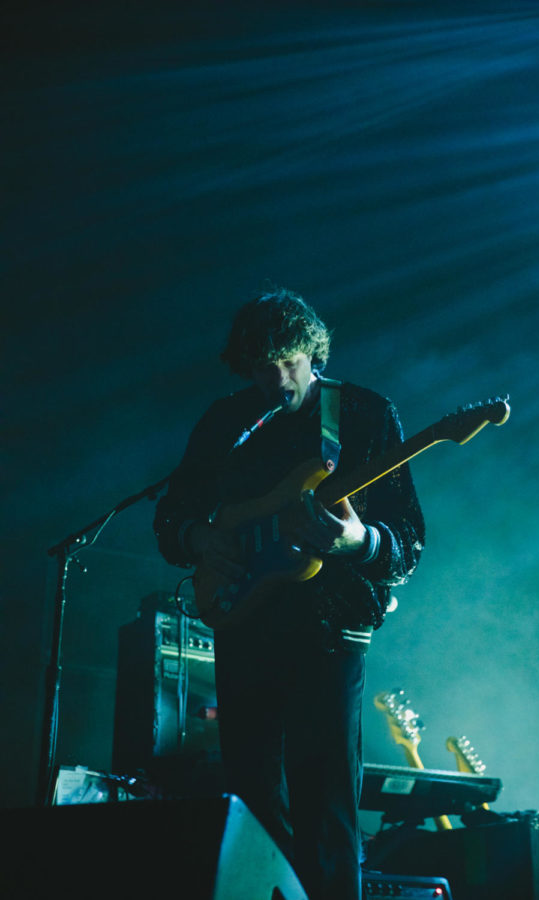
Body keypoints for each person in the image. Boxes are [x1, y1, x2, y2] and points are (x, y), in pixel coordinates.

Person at [153, 286, 425, 900]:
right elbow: (172, 516)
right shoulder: (226, 422)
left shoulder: (361, 414)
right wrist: (199, 537)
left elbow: (408, 541)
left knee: (325, 804)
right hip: (244, 622)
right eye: (260, 366)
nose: (275, 378)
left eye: (288, 361)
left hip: (329, 632)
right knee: (251, 803)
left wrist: (358, 541)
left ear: (315, 353)